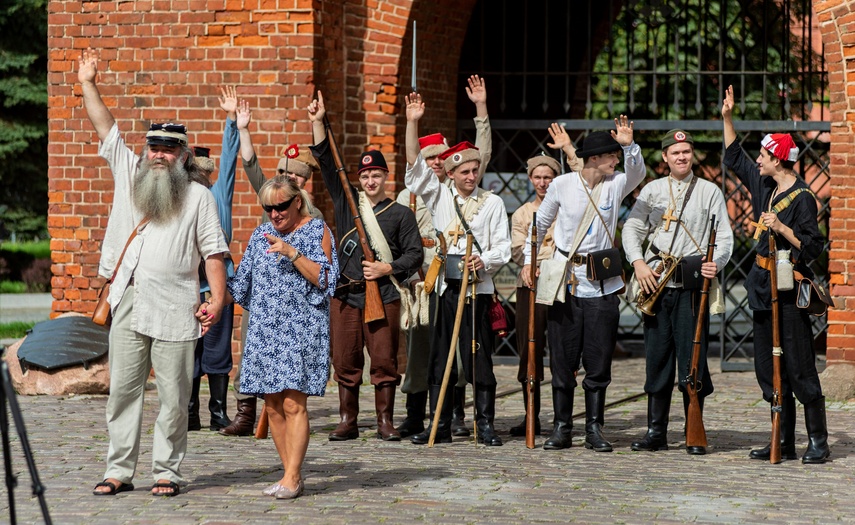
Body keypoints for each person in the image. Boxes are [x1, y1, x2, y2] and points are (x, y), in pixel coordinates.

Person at [79, 48, 229, 497]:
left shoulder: (199, 199)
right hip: (128, 300)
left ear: (183, 155)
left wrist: (217, 300)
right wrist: (88, 82)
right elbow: (106, 128)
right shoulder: (129, 174)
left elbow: (215, 254)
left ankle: (167, 470)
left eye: (169, 148)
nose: (160, 155)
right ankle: (119, 470)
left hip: (176, 309)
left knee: (173, 398)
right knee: (122, 392)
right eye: (154, 147)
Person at [722, 85, 830, 463]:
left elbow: (814, 246)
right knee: (767, 367)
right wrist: (727, 117)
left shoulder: (802, 198)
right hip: (761, 287)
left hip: (789, 290)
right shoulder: (763, 184)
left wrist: (782, 230)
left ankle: (817, 440)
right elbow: (734, 156)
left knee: (799, 366)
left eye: (764, 154)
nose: (759, 159)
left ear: (779, 159)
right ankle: (781, 440)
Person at [524, 117, 646, 452]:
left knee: (599, 360)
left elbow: (638, 173)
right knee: (562, 361)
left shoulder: (615, 182)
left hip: (602, 285)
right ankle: (562, 427)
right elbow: (540, 224)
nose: (615, 161)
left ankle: (594, 428)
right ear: (594, 159)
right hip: (567, 282)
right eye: (611, 156)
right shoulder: (563, 184)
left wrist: (628, 144)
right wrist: (527, 260)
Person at [308, 91, 423, 442]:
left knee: (384, 360)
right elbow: (328, 165)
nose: (371, 180)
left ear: (386, 177)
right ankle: (348, 420)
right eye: (366, 175)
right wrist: (317, 122)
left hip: (384, 293)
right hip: (346, 293)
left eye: (377, 174)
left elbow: (414, 254)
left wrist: (388, 270)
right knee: (345, 359)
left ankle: (385, 422)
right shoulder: (348, 205)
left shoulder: (401, 214)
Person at [404, 92, 511, 446]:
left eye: (474, 169)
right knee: (438, 359)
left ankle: (485, 423)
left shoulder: (492, 202)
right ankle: (441, 423)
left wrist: (485, 260)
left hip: (477, 290)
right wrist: (412, 122)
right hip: (444, 290)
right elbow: (415, 167)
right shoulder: (439, 195)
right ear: (450, 172)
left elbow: (503, 246)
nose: (471, 175)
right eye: (464, 171)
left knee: (478, 358)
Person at [622, 129, 733, 455]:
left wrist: (717, 263)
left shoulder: (709, 192)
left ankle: (692, 430)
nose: (681, 157)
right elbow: (632, 227)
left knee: (692, 360)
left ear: (692, 155)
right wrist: (639, 263)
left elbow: (723, 237)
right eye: (675, 152)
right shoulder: (653, 190)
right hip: (656, 285)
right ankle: (656, 431)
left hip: (691, 288)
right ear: (665, 157)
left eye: (686, 151)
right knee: (657, 360)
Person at [227, 174, 336, 499]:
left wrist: (292, 253)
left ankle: (291, 475)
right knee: (272, 405)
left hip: (301, 330)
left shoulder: (318, 230)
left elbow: (328, 280)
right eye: (268, 208)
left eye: (281, 206)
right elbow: (241, 287)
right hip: (264, 331)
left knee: (292, 402)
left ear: (297, 201)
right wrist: (214, 265)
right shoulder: (260, 234)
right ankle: (291, 474)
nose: (274, 214)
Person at [219, 99, 324, 438]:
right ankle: (246, 411)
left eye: (296, 174)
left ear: (304, 183)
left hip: (294, 300)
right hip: (263, 292)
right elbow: (250, 165)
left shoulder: (314, 218)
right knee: (251, 346)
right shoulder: (270, 194)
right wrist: (244, 127)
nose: (288, 178)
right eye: (285, 172)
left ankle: (279, 411)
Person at [187, 86, 241, 433]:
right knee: (190, 350)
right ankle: (190, 412)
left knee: (218, 349)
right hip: (189, 283)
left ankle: (218, 411)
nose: (200, 176)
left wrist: (231, 120)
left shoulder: (218, 193)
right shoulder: (177, 198)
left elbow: (230, 156)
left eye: (204, 172)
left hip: (219, 281)